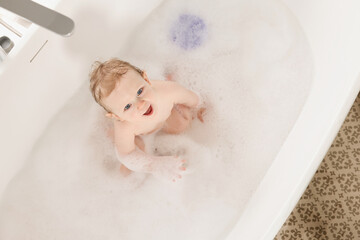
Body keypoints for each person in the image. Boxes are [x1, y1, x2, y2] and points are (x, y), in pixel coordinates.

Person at [89, 58, 204, 182]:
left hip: (165, 117)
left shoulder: (168, 91)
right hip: (140, 135)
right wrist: (155, 164)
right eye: (127, 106)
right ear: (117, 117)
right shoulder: (125, 126)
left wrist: (201, 109)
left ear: (146, 79)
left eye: (139, 91)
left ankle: (170, 76)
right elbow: (126, 154)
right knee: (129, 167)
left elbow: (193, 99)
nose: (140, 104)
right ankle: (123, 187)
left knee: (182, 123)